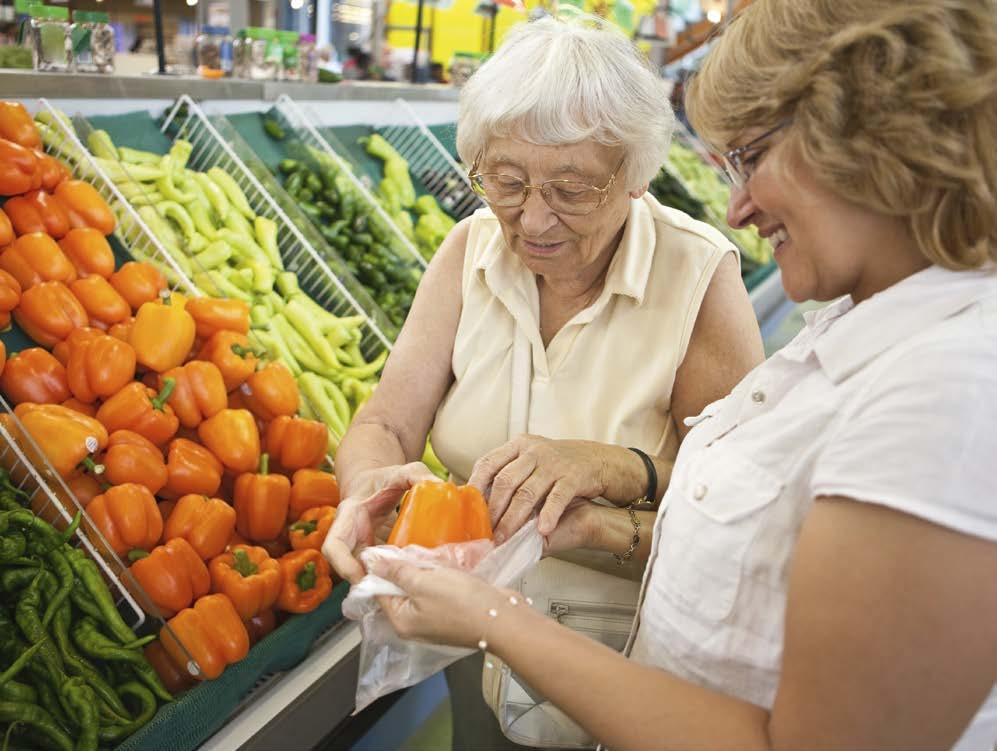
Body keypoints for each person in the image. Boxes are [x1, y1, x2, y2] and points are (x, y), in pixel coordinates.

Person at [343, 1, 997, 749]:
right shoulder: (864, 330)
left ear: (865, 145)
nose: (736, 205)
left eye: (750, 156)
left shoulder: (948, 389)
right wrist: (588, 524)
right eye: (505, 181)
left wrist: (499, 614)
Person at [322, 14, 763, 750]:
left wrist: (612, 470)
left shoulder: (696, 274)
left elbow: (739, 511)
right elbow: (385, 424)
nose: (531, 218)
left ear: (634, 175)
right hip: (466, 646)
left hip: (628, 664)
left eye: (573, 188)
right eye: (504, 180)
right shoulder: (468, 249)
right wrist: (365, 486)